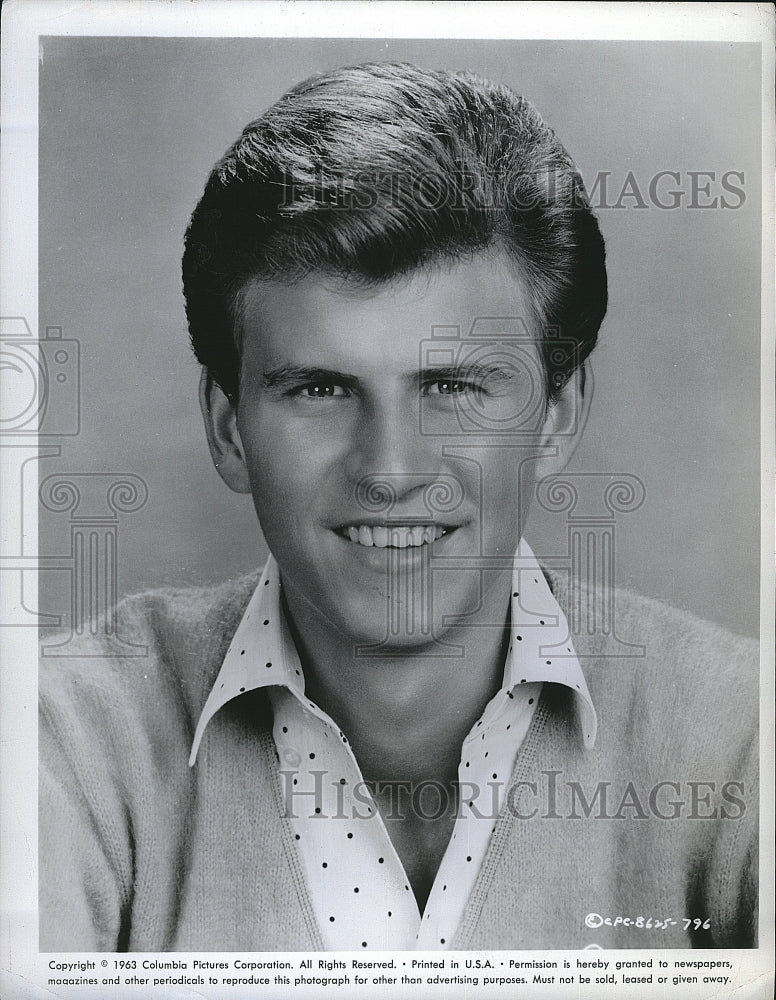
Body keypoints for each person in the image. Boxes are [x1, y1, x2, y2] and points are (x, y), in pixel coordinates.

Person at [39, 62, 758, 952]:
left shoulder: (741, 736)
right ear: (228, 429)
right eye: (320, 389)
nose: (389, 469)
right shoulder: (61, 737)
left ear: (557, 416)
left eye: (452, 386)